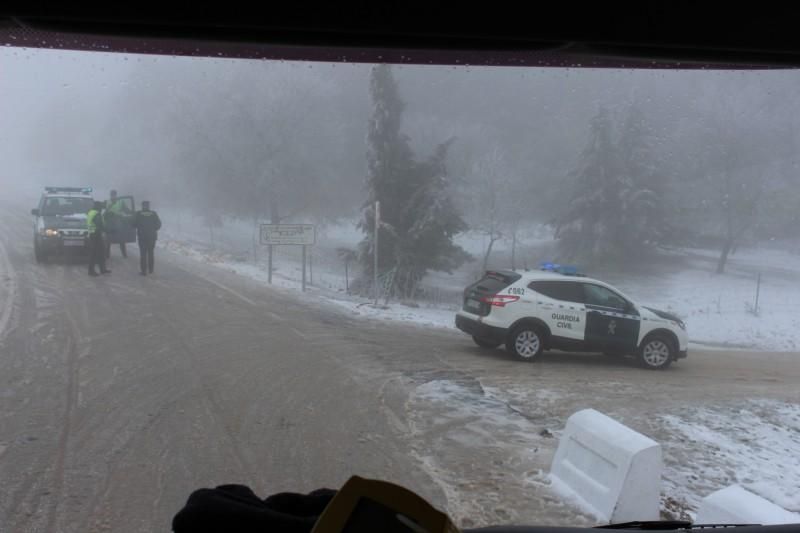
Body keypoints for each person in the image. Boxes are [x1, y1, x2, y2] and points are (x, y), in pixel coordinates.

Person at [133, 200, 162, 276]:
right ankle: (151, 269)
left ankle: (143, 271)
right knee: (151, 253)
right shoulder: (153, 213)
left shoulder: (138, 214)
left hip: (142, 237)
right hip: (152, 237)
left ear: (142, 206)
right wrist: (153, 229)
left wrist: (139, 227)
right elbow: (159, 224)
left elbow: (133, 224)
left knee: (143, 254)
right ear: (149, 206)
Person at [87, 201, 111, 277]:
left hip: (93, 234)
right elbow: (100, 224)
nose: (101, 209)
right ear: (98, 207)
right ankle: (91, 271)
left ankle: (102, 269)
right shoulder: (96, 214)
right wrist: (108, 230)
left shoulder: (91, 212)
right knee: (95, 253)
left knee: (100, 252)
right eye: (101, 207)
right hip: (96, 234)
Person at [105, 190, 131, 258]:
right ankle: (107, 255)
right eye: (112, 195)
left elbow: (126, 209)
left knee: (121, 238)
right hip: (110, 220)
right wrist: (110, 206)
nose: (113, 196)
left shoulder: (121, 201)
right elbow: (106, 210)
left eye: (114, 194)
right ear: (110, 195)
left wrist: (131, 212)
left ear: (116, 195)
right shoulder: (108, 201)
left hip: (118, 220)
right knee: (108, 238)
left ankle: (124, 254)